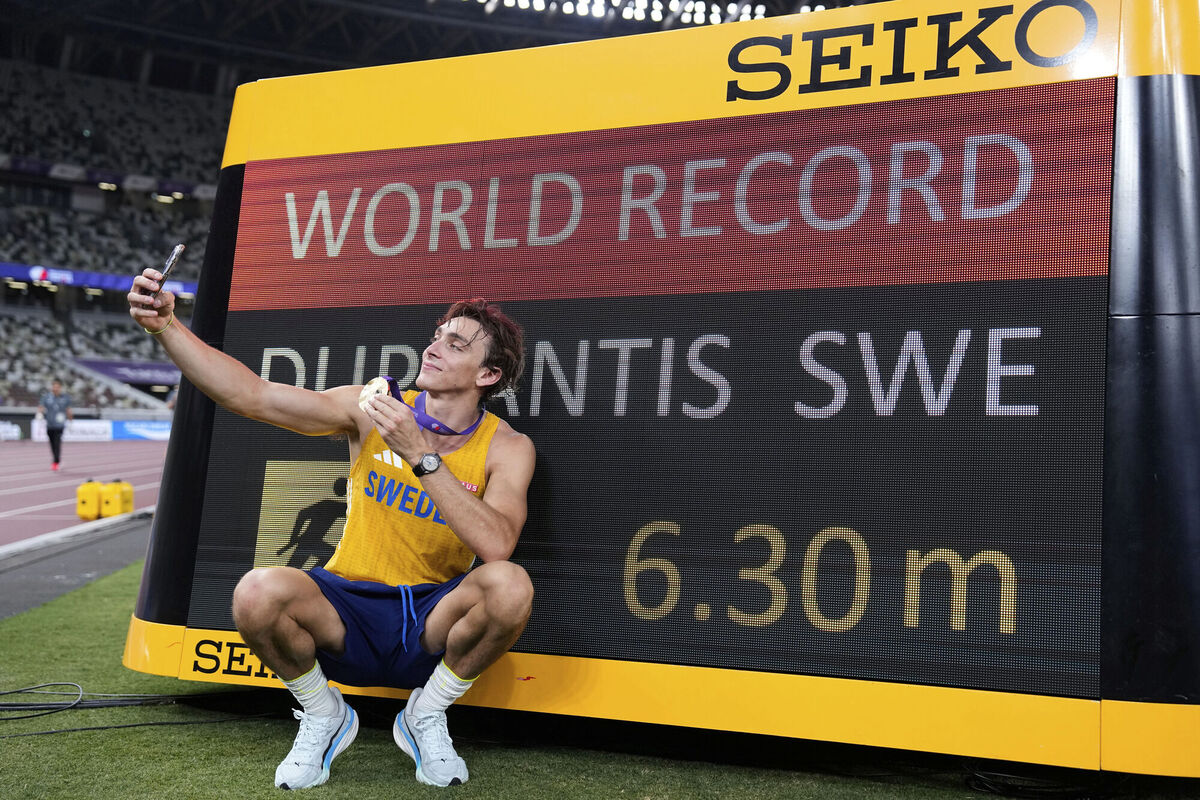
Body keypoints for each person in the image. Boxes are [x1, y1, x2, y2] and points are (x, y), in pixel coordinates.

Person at [127, 266, 535, 790]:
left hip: (430, 614)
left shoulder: (507, 447)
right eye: (437, 337)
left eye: (456, 345)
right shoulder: (372, 409)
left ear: (488, 376)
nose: (434, 349)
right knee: (256, 593)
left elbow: (498, 545)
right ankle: (323, 712)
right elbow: (252, 396)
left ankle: (426, 713)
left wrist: (421, 455)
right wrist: (167, 327)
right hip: (347, 607)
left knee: (510, 586)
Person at [37, 378, 73, 471]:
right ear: (52, 387)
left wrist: (70, 420)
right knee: (52, 444)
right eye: (54, 386)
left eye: (57, 387)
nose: (55, 388)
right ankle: (55, 459)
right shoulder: (47, 397)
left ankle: (56, 461)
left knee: (57, 443)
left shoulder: (65, 398)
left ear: (60, 388)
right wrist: (39, 413)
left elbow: (68, 410)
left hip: (59, 426)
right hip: (49, 425)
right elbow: (41, 407)